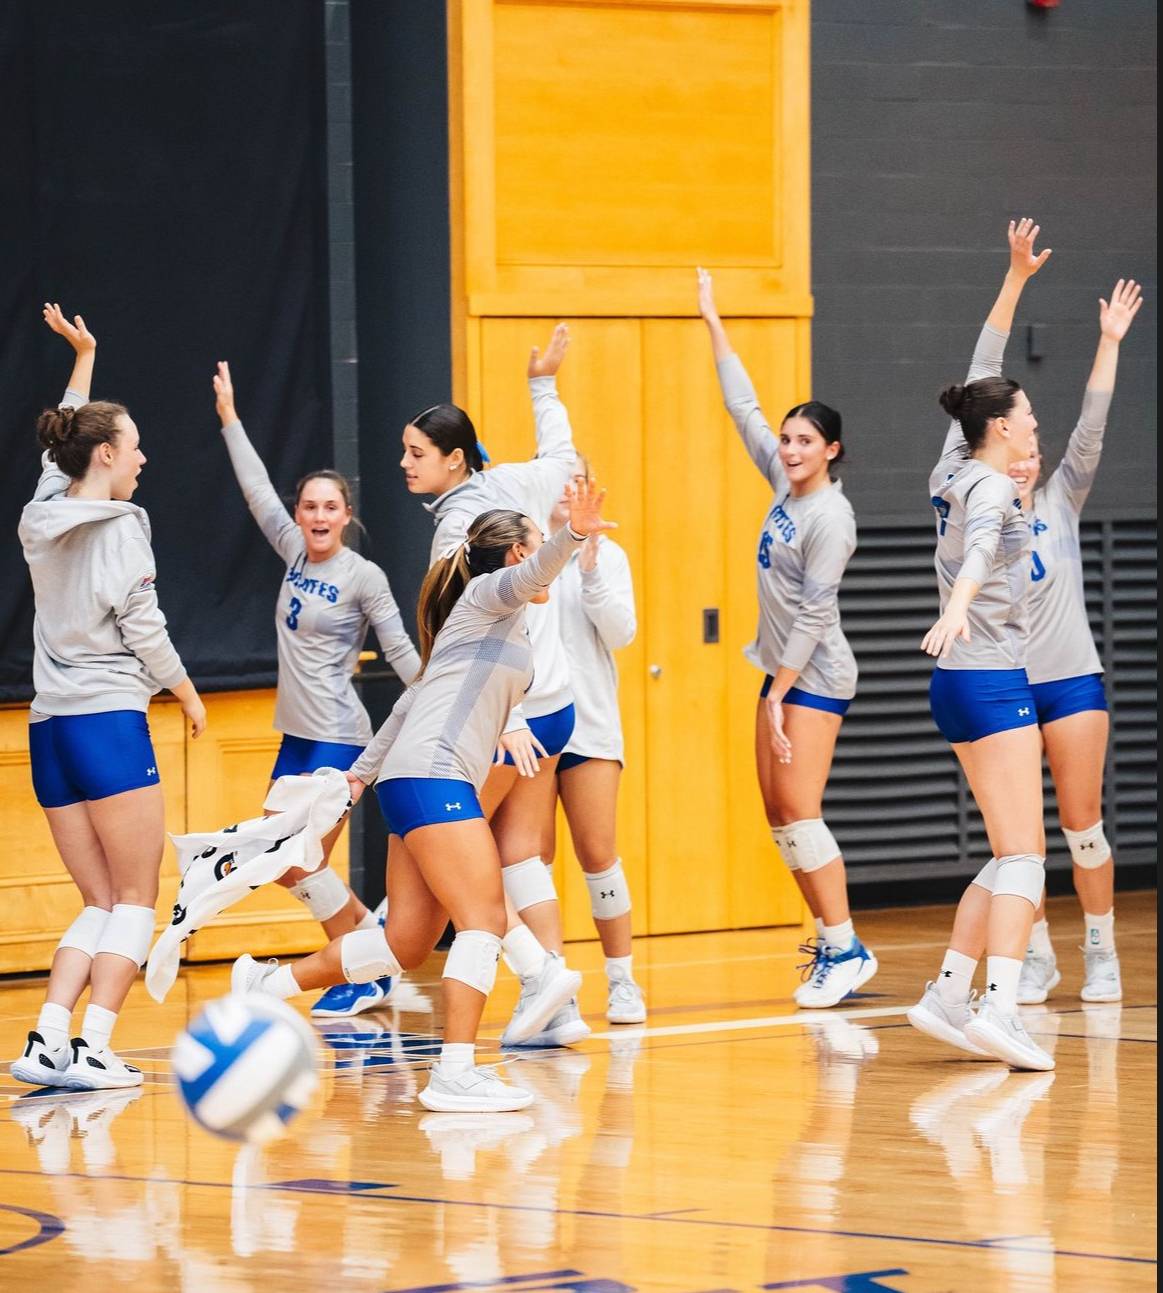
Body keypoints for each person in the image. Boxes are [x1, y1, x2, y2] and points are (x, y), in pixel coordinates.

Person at [232, 479, 614, 1113]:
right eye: (537, 546)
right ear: (518, 557)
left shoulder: (497, 622)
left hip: (414, 777)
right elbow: (535, 571)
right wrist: (572, 535)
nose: (546, 558)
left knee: (404, 943)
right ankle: (454, 1072)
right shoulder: (489, 593)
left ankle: (265, 984)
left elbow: (414, 698)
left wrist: (360, 774)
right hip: (435, 777)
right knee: (485, 921)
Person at [11, 304, 206, 1091]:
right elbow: (148, 631)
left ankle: (47, 1036)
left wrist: (85, 356)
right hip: (107, 721)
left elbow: (65, 440)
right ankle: (96, 1044)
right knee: (135, 895)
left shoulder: (40, 513)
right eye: (132, 446)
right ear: (103, 456)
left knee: (95, 897)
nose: (143, 457)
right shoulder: (124, 524)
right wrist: (189, 695)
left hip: (49, 729)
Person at [213, 362, 420, 1018]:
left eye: (330, 506)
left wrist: (446, 697)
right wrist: (229, 417)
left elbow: (402, 655)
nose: (318, 515)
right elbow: (255, 493)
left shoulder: (364, 576)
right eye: (309, 506)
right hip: (295, 735)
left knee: (298, 863)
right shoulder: (294, 551)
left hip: (337, 734)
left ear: (346, 515)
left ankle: (366, 966)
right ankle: (371, 953)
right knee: (284, 864)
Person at [401, 325, 588, 1046]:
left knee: (448, 860)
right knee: (518, 856)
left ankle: (539, 980)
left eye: (416, 453)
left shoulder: (456, 528)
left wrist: (498, 714)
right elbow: (563, 459)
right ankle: (556, 1005)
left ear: (453, 459)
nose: (405, 464)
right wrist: (542, 385)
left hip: (512, 714)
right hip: (553, 704)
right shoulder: (515, 481)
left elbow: (453, 630)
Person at [697, 268, 876, 1008]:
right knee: (777, 813)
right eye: (787, 437)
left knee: (799, 805)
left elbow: (813, 611)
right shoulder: (782, 484)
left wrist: (776, 692)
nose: (790, 447)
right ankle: (836, 942)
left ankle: (843, 945)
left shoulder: (829, 517)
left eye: (805, 440)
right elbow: (742, 406)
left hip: (814, 675)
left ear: (831, 450)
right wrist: (712, 319)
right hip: (778, 673)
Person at [906, 218, 1054, 1071]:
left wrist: (1011, 278)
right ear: (1000, 428)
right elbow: (979, 558)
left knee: (1005, 851)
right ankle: (998, 1007)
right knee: (1026, 854)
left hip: (959, 683)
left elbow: (979, 362)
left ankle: (946, 990)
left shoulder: (953, 463)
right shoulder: (992, 486)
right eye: (1026, 411)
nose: (1033, 418)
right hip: (990, 674)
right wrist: (959, 605)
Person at [1006, 279, 1142, 1005]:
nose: (1025, 463)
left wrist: (1108, 343)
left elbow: (1091, 423)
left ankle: (1099, 949)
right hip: (1008, 689)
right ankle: (1035, 956)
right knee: (1019, 834)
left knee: (1079, 825)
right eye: (1015, 454)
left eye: (1033, 453)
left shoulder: (1060, 498)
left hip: (1071, 683)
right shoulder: (979, 517)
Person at [548, 457, 646, 1024]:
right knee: (532, 861)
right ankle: (554, 989)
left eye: (577, 479)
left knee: (598, 854)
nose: (568, 490)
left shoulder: (609, 556)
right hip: (533, 731)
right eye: (557, 481)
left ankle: (622, 980)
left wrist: (588, 571)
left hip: (589, 724)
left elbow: (621, 632)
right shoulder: (528, 550)